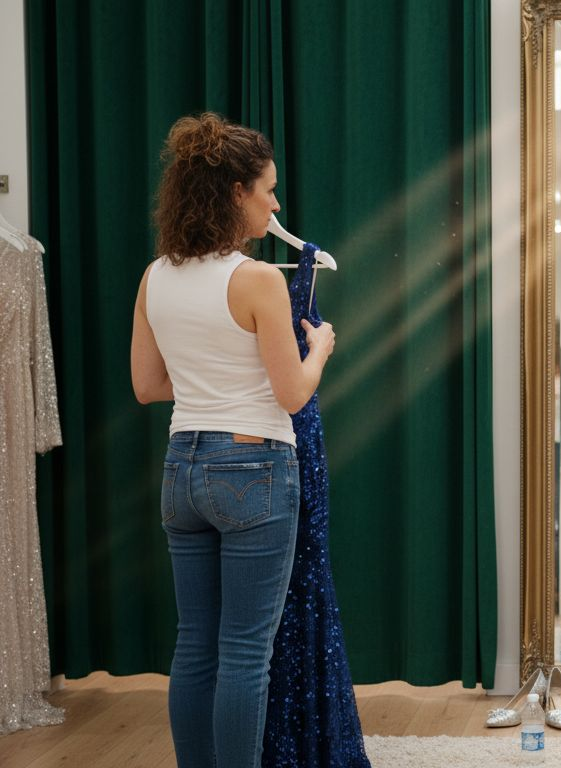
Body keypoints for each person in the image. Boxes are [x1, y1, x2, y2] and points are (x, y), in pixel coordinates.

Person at [131, 112, 335, 768]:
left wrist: (209, 375)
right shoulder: (258, 281)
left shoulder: (155, 276)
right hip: (254, 470)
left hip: (182, 469)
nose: (276, 203)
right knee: (246, 652)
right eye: (267, 189)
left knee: (194, 646)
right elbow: (293, 393)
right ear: (234, 193)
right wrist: (321, 348)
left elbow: (146, 385)